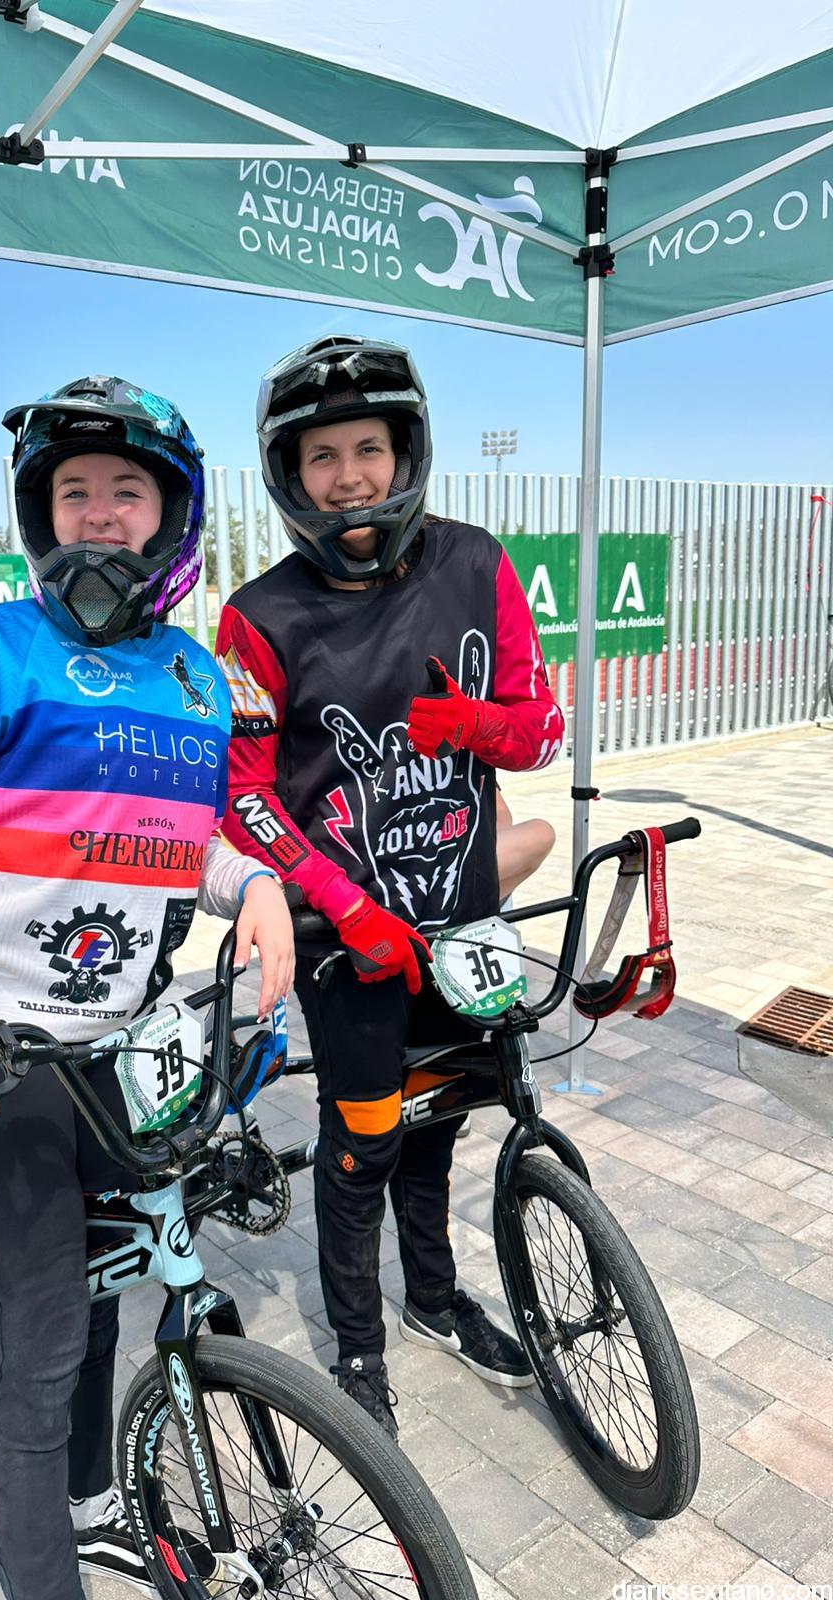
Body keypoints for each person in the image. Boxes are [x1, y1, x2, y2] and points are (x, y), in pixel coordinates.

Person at [0, 376, 294, 1600]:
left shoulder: (194, 677)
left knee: (105, 1284)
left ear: (172, 517)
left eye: (127, 491)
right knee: (37, 1343)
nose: (98, 513)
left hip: (117, 1054)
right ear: (41, 514)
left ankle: (92, 1497)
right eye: (74, 491)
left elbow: (170, 840)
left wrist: (252, 880)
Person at [214, 335, 564, 1438]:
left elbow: (543, 731)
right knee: (363, 1141)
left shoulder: (478, 563)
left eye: (368, 447)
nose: (349, 476)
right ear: (290, 474)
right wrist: (345, 904)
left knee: (442, 1121)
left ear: (405, 451)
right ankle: (358, 1348)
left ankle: (437, 1299)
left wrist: (476, 726)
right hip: (347, 937)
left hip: (461, 919)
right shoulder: (256, 617)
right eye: (322, 456)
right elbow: (242, 797)